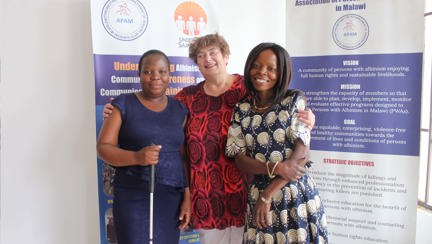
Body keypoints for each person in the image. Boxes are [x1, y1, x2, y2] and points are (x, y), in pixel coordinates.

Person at [102, 33, 316, 243]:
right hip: (206, 196)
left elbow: (282, 111)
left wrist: (308, 119)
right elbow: (158, 114)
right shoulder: (186, 98)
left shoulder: (249, 89)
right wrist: (117, 111)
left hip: (249, 191)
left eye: (213, 52)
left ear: (226, 56)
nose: (207, 59)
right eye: (201, 56)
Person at [225, 42, 328, 243]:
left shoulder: (293, 100)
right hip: (259, 194)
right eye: (256, 65)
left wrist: (268, 194)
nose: (262, 72)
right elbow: (239, 159)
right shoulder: (242, 108)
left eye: (271, 68)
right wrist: (276, 167)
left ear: (281, 73)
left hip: (294, 193)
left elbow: (301, 156)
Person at [97, 49, 191, 244]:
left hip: (171, 197)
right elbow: (103, 148)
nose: (155, 77)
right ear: (139, 75)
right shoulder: (123, 105)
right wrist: (136, 158)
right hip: (134, 194)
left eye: (162, 71)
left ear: (169, 75)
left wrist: (187, 196)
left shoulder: (179, 110)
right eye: (148, 72)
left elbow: (183, 156)